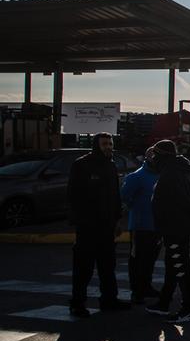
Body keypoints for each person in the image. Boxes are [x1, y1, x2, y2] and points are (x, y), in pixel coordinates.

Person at [67, 132, 129, 317]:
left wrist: (117, 220)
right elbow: (73, 195)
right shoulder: (82, 165)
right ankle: (77, 303)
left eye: (110, 143)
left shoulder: (110, 165)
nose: (108, 147)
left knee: (107, 266)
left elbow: (114, 196)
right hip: (87, 226)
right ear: (96, 145)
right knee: (83, 267)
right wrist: (81, 219)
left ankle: (109, 299)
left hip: (107, 226)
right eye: (104, 144)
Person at [145, 140, 190, 324]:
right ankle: (164, 303)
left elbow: (181, 199)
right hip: (181, 226)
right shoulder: (185, 170)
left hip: (175, 228)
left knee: (180, 268)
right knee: (173, 266)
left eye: (155, 154)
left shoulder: (170, 173)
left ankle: (188, 309)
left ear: (162, 155)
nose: (153, 158)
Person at [120, 147, 162, 305]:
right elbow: (124, 196)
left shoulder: (161, 175)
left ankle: (146, 286)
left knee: (151, 259)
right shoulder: (136, 176)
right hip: (140, 225)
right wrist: (136, 208)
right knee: (137, 259)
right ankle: (136, 290)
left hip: (157, 226)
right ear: (148, 157)